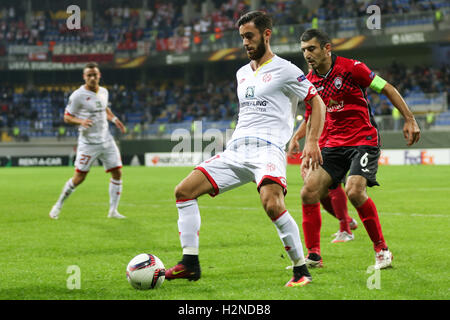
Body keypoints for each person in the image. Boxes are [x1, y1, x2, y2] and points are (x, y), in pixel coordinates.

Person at [165, 11, 326, 287]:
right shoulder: (241, 73)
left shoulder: (286, 69)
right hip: (236, 150)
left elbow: (318, 102)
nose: (245, 43)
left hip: (268, 149)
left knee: (272, 204)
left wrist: (311, 141)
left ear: (266, 34)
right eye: (242, 38)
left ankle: (301, 271)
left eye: (249, 36)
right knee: (183, 192)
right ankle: (190, 263)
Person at [298, 29, 420, 269]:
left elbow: (387, 88)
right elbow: (312, 114)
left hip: (362, 139)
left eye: (311, 49)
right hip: (332, 144)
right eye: (303, 50)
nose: (307, 55)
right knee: (308, 192)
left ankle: (382, 250)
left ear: (327, 48)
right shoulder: (309, 81)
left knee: (354, 191)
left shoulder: (353, 68)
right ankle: (313, 255)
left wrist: (410, 118)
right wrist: (305, 144)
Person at [49, 62, 127, 220]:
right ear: (84, 77)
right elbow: (67, 117)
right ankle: (58, 205)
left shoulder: (104, 91)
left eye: (95, 75)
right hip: (88, 143)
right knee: (79, 178)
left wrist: (115, 119)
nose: (92, 78)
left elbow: (104, 108)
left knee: (117, 172)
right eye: (89, 75)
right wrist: (81, 122)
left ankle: (113, 211)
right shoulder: (77, 96)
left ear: (99, 76)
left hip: (106, 140)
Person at [288, 105, 358, 244]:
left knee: (333, 185)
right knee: (316, 190)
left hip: (336, 143)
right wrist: (296, 137)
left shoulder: (328, 91)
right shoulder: (314, 93)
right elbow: (309, 118)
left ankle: (345, 229)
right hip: (319, 146)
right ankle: (347, 222)